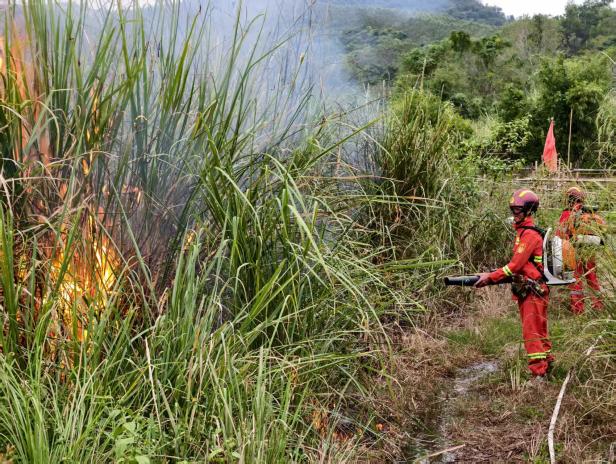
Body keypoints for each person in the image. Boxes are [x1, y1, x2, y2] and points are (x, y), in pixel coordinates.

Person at [475, 189, 552, 377]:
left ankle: (539, 373)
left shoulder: (529, 235)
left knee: (532, 332)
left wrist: (490, 277)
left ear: (528, 210)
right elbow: (519, 266)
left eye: (517, 210)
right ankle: (547, 364)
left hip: (532, 290)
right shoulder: (524, 232)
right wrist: (491, 274)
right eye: (512, 209)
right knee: (539, 329)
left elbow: (515, 266)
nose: (514, 213)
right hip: (534, 288)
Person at [557, 186, 605, 313]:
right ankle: (598, 306)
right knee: (592, 279)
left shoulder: (567, 213)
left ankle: (578, 309)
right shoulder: (589, 213)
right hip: (589, 251)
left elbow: (560, 235)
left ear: (568, 199)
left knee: (576, 281)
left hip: (573, 252)